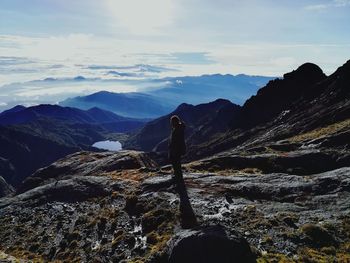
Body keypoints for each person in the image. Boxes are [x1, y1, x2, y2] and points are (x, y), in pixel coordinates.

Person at [168, 115, 198, 228]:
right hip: (178, 150)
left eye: (172, 121)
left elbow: (176, 142)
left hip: (176, 150)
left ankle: (179, 179)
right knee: (176, 165)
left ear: (175, 122)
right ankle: (178, 178)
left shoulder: (177, 129)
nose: (171, 123)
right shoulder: (179, 128)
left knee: (176, 164)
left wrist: (173, 151)